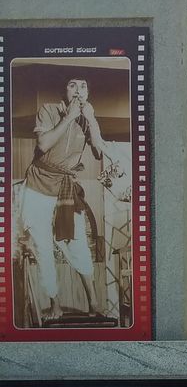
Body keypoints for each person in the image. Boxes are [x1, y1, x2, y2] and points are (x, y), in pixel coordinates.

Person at [17, 76, 120, 325]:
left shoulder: (87, 115)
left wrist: (92, 119)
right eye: (72, 85)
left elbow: (97, 149)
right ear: (64, 90)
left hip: (65, 188)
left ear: (88, 91)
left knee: (77, 246)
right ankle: (55, 305)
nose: (78, 90)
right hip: (38, 186)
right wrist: (70, 117)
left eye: (84, 85)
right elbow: (43, 144)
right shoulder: (49, 110)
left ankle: (93, 304)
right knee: (43, 248)